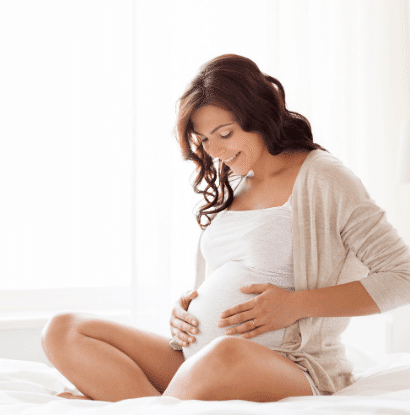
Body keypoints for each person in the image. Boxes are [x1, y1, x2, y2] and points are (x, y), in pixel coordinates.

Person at [41, 54, 410, 402]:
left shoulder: (324, 178)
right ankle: (155, 405)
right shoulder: (234, 184)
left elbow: (402, 276)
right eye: (203, 140)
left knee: (225, 353)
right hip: (196, 361)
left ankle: (128, 403)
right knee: (63, 329)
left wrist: (295, 306)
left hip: (287, 363)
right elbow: (229, 278)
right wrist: (186, 311)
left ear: (259, 114)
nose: (215, 151)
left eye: (225, 133)